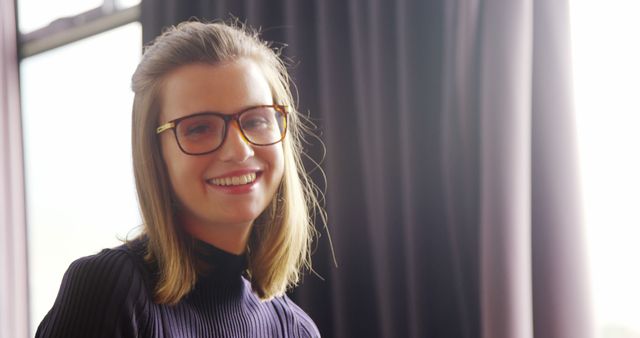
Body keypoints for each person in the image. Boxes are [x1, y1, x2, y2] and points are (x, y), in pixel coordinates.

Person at [36, 20, 323, 338]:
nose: (239, 150)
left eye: (256, 120)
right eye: (199, 128)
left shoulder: (297, 329)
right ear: (155, 155)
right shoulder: (108, 290)